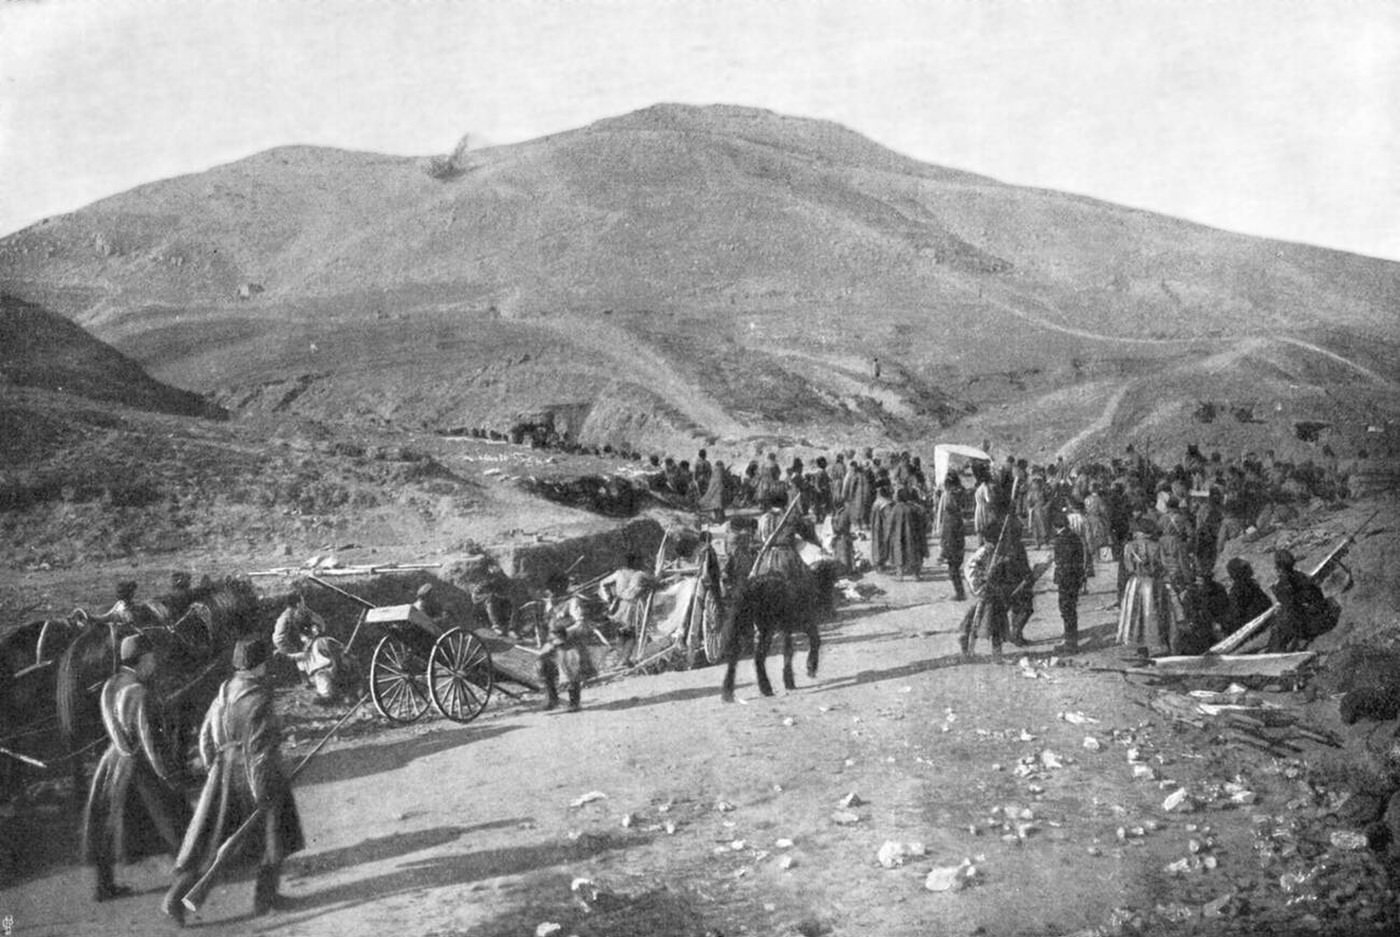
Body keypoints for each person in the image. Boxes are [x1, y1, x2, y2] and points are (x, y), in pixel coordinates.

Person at [163, 638, 304, 924]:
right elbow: (259, 752)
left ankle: (175, 901)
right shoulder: (259, 700)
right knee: (273, 834)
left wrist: (213, 768)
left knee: (211, 841)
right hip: (256, 777)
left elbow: (205, 735)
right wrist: (261, 792)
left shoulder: (225, 690)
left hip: (223, 774)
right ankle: (265, 898)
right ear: (259, 665)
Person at [81, 634, 191, 903]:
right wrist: (167, 773)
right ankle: (187, 875)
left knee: (107, 822)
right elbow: (149, 739)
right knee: (170, 815)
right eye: (151, 659)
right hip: (139, 763)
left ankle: (103, 886)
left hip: (113, 760)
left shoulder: (110, 685)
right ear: (141, 661)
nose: (154, 664)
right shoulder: (140, 693)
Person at [1117, 517, 1174, 657]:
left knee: (1135, 614)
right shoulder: (1157, 546)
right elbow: (1164, 565)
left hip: (1135, 583)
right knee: (1151, 613)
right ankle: (1156, 643)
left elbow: (1128, 567)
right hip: (1152, 583)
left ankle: (1140, 648)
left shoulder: (1129, 546)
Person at [271, 592, 342, 702]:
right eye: (302, 601)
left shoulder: (303, 611)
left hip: (302, 641)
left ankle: (314, 681)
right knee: (308, 657)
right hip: (288, 645)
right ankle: (313, 683)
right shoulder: (285, 618)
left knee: (317, 650)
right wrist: (292, 651)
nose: (304, 604)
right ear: (298, 603)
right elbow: (278, 638)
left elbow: (319, 622)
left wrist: (314, 627)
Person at [539, 576, 596, 711]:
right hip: (553, 641)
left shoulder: (573, 601)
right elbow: (548, 621)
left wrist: (566, 631)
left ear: (561, 588)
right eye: (550, 590)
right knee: (542, 665)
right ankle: (552, 698)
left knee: (571, 669)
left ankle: (574, 702)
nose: (552, 593)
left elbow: (581, 623)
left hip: (570, 642)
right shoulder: (550, 603)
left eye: (554, 590)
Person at [1268, 548, 1338, 652]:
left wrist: (1277, 593)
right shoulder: (1301, 576)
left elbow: (1291, 609)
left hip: (1313, 625)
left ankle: (1275, 651)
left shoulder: (1283, 585)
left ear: (1278, 568)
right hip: (1324, 615)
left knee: (1279, 621)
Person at [599, 555, 657, 664]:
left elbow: (603, 583)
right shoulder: (641, 574)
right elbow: (656, 583)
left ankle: (620, 658)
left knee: (622, 632)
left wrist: (609, 599)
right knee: (631, 633)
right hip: (634, 606)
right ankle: (624, 659)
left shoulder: (619, 573)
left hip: (622, 604)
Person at [1050, 512, 1086, 652]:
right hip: (1075, 578)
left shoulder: (1060, 539)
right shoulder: (1074, 537)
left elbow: (1061, 561)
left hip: (1066, 579)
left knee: (1066, 610)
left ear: (1054, 526)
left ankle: (1071, 644)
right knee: (1071, 609)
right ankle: (1071, 640)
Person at [937, 474, 967, 601]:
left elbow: (946, 535)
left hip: (952, 545)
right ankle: (960, 592)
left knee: (953, 570)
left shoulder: (949, 516)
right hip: (958, 544)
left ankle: (960, 593)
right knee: (955, 568)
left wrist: (943, 552)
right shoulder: (958, 514)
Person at [1223, 558, 1272, 635]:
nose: (1250, 567)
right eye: (1245, 567)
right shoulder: (1238, 592)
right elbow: (1236, 618)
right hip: (1253, 629)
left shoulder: (1252, 586)